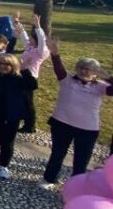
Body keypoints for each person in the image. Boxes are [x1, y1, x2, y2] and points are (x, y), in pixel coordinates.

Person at [38, 38, 113, 189]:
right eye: (81, 68)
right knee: (57, 154)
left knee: (81, 160)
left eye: (89, 69)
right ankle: (49, 179)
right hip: (62, 123)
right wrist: (55, 54)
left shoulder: (101, 86)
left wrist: (107, 77)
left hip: (87, 129)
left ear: (95, 73)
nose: (84, 71)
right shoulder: (67, 80)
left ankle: (77, 186)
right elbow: (58, 68)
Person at [14, 14, 50, 133]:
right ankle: (20, 118)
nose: (29, 41)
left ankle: (30, 125)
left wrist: (38, 26)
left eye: (32, 39)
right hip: (22, 74)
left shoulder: (41, 52)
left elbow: (42, 40)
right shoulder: (29, 47)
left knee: (28, 102)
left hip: (30, 78)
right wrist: (17, 22)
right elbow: (24, 37)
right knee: (20, 99)